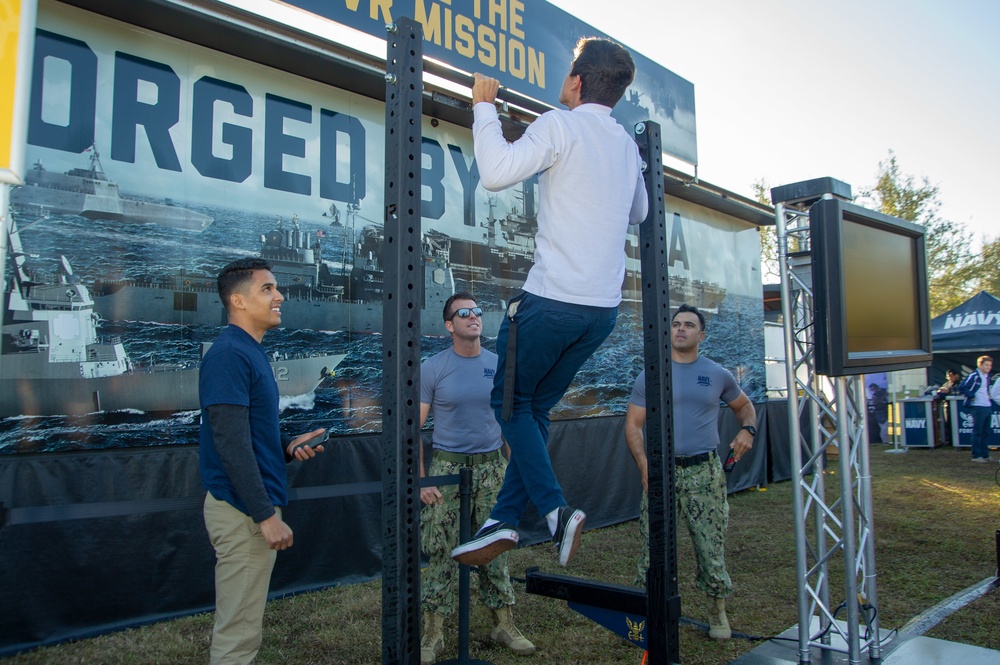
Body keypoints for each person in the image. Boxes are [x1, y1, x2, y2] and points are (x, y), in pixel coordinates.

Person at [450, 36, 648, 569]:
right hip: (599, 313)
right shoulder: (626, 146)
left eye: (566, 73)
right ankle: (503, 520)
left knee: (508, 406)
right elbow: (638, 212)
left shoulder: (560, 125)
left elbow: (495, 172)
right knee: (533, 409)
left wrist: (484, 107)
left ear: (578, 82)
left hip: (551, 303)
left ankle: (557, 512)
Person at [199, 257, 327, 665]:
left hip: (247, 507)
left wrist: (288, 446)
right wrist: (264, 515)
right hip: (243, 511)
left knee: (242, 625)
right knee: (237, 636)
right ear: (237, 301)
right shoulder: (229, 356)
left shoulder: (247, 352)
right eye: (267, 289)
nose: (280, 296)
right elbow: (229, 443)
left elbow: (247, 435)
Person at [624, 304, 756, 641]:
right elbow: (633, 426)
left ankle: (717, 613)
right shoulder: (650, 375)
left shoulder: (716, 374)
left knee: (710, 546)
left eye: (689, 325)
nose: (680, 329)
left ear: (702, 334)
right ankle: (649, 612)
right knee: (651, 548)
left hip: (704, 473)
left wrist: (748, 430)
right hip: (661, 472)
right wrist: (645, 466)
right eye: (676, 324)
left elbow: (744, 407)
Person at [418, 293, 535, 664]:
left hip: (492, 469)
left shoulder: (499, 366)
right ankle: (432, 634)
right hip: (447, 471)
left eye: (478, 311)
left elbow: (512, 424)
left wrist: (517, 474)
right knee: (440, 550)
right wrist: (421, 480)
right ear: (449, 325)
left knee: (495, 548)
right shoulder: (432, 368)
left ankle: (503, 624)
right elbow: (411, 429)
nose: (474, 317)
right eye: (463, 313)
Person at [957, 355, 995, 462]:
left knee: (986, 432)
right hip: (978, 406)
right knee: (977, 432)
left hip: (987, 405)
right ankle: (976, 455)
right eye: (986, 365)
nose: (988, 367)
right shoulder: (974, 375)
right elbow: (961, 387)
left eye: (990, 365)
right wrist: (971, 395)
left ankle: (985, 454)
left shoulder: (987, 376)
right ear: (980, 365)